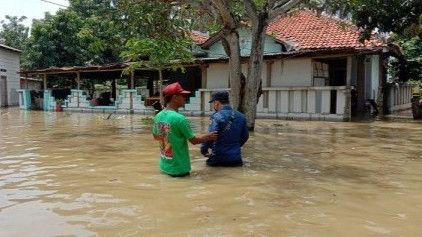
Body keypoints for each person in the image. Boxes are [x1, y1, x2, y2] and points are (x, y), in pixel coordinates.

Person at [152, 82, 217, 177]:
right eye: (182, 96)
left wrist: (169, 137)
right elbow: (194, 140)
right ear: (175, 97)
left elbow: (156, 136)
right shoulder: (180, 118)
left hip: (164, 167)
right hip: (179, 169)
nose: (185, 98)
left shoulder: (158, 116)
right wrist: (208, 136)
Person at [201, 91, 249, 167]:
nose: (214, 105)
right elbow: (245, 136)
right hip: (236, 159)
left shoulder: (216, 116)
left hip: (218, 158)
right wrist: (234, 147)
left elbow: (211, 136)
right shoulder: (241, 116)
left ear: (216, 102)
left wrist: (204, 150)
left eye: (213, 103)